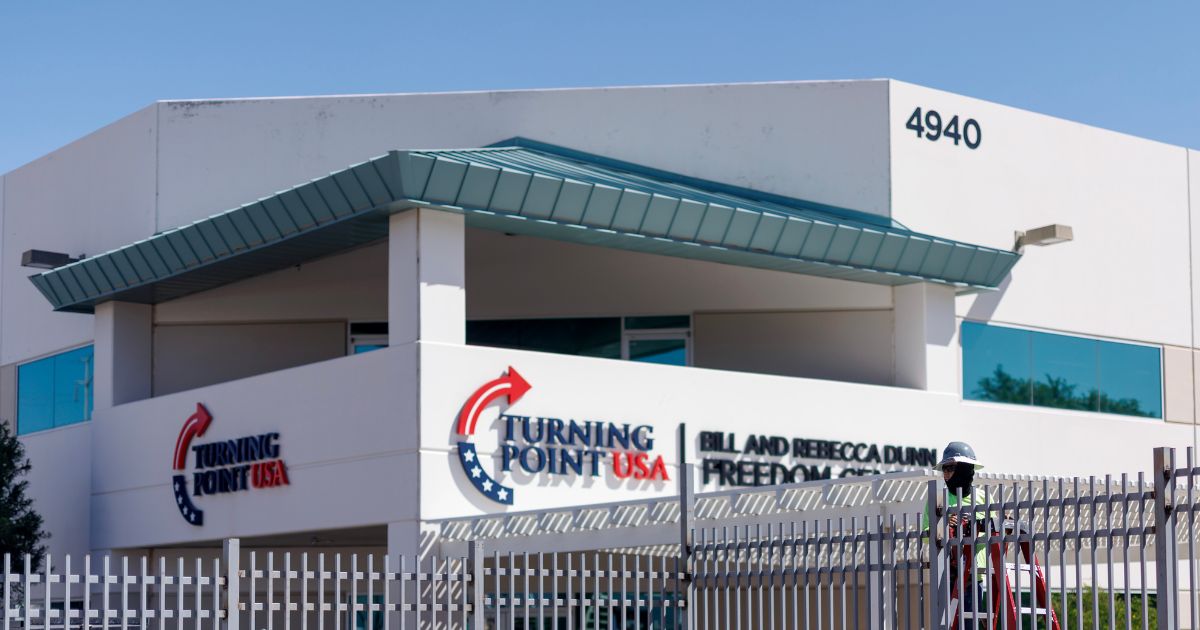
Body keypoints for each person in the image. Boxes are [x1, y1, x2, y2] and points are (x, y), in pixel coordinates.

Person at [924, 441, 992, 616]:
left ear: (965, 469)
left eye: (951, 468)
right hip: (945, 575)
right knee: (945, 624)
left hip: (973, 574)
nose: (946, 473)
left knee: (969, 624)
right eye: (944, 469)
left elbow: (993, 533)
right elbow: (925, 534)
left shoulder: (984, 497)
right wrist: (944, 524)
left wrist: (973, 527)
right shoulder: (936, 498)